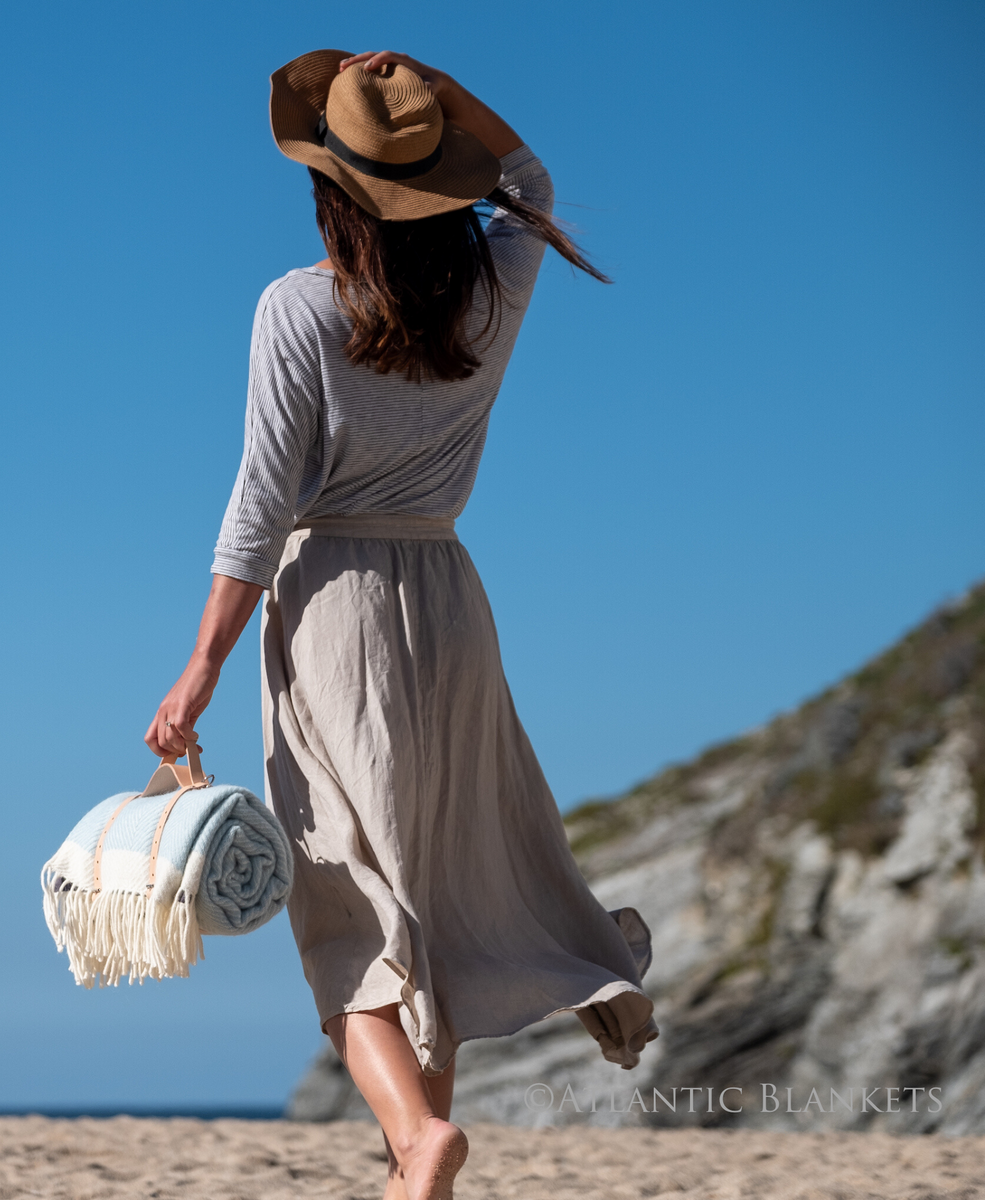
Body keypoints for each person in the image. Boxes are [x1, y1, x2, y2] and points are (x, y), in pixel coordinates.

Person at [145, 49, 656, 1200]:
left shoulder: (298, 307)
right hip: (450, 603)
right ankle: (417, 1167)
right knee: (427, 901)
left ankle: (420, 1142)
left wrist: (199, 668)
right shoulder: (490, 290)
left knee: (343, 903)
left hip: (332, 610)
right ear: (439, 182)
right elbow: (531, 177)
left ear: (330, 187)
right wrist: (429, 92)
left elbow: (259, 505)